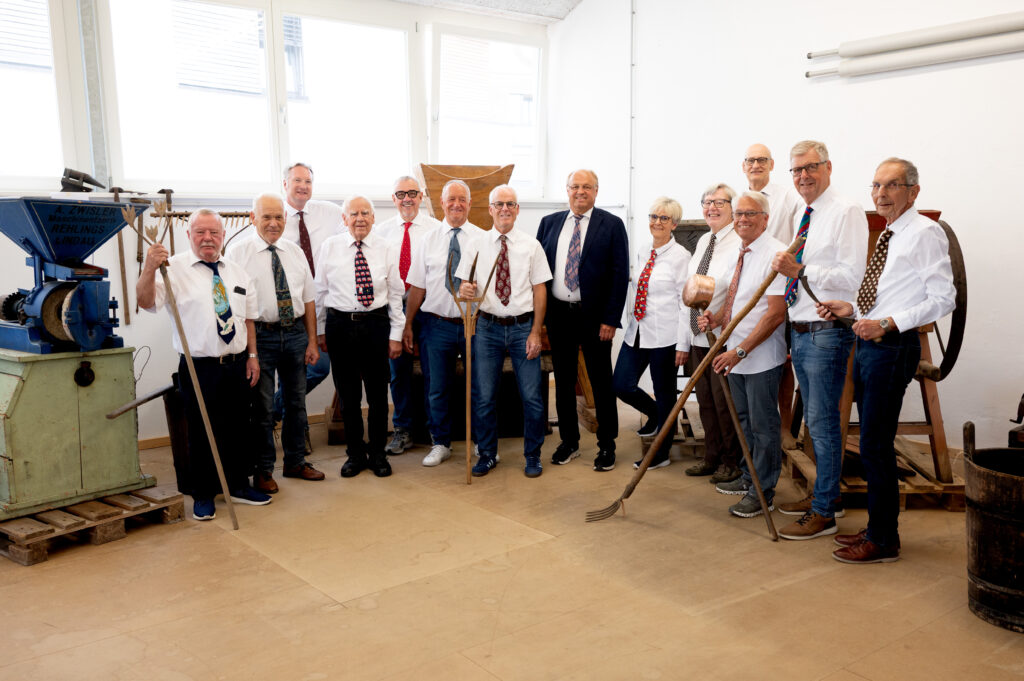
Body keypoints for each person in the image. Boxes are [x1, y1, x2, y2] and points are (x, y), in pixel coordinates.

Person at [815, 158, 954, 563]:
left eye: (891, 185)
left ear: (913, 191)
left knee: (875, 445)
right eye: (875, 185)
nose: (880, 194)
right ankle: (878, 525)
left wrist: (889, 323)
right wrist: (851, 310)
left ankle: (883, 539)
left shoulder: (925, 233)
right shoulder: (891, 233)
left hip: (893, 348)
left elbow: (944, 298)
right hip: (873, 345)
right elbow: (889, 293)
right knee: (874, 443)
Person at [137, 209, 271, 520]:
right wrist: (149, 267)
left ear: (223, 236)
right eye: (200, 232)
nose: (207, 238)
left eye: (213, 232)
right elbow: (145, 303)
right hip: (199, 366)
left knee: (240, 427)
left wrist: (252, 357)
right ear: (189, 236)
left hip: (238, 363)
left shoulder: (237, 272)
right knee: (201, 431)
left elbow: (248, 318)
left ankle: (238, 484)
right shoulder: (172, 270)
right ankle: (203, 494)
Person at [771, 140, 867, 541]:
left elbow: (852, 276)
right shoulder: (806, 214)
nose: (803, 176)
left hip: (827, 333)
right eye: (796, 171)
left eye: (810, 168)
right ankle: (825, 498)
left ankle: (825, 512)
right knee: (817, 425)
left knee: (825, 427)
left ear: (828, 167)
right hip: (804, 329)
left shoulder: (846, 212)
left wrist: (800, 269)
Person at [698, 192, 787, 518]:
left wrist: (739, 350)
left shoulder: (776, 254)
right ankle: (750, 477)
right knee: (745, 423)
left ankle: (764, 492)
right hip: (734, 353)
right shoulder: (741, 250)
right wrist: (717, 318)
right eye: (739, 214)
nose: (744, 219)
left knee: (763, 428)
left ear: (765, 217)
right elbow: (738, 302)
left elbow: (775, 314)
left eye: (751, 213)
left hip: (759, 358)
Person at [230, 193, 324, 494]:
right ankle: (263, 470)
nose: (274, 223)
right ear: (252, 217)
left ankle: (295, 462)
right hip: (261, 336)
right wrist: (252, 351)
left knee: (297, 403)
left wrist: (312, 341)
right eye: (267, 217)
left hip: (295, 333)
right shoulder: (238, 254)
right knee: (263, 408)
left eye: (279, 217)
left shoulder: (294, 252)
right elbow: (238, 306)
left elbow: (308, 299)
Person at [536, 169, 629, 472]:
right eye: (575, 186)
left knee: (601, 382)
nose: (580, 191)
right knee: (562, 382)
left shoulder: (612, 225)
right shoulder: (549, 224)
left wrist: (611, 319)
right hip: (559, 315)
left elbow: (618, 276)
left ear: (596, 191)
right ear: (566, 190)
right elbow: (538, 273)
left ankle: (607, 445)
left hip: (595, 317)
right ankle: (569, 442)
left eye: (586, 187)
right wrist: (541, 319)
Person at [457, 185, 552, 478]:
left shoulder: (530, 245)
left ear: (518, 209)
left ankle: (533, 454)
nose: (505, 209)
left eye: (510, 204)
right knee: (484, 396)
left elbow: (540, 290)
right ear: (490, 209)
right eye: (499, 204)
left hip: (524, 326)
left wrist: (536, 332)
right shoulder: (476, 243)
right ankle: (487, 453)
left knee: (532, 397)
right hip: (487, 328)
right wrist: (466, 290)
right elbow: (464, 286)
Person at [315, 196, 405, 478]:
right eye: (353, 213)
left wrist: (396, 334)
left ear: (374, 217)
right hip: (340, 325)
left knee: (378, 395)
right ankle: (355, 454)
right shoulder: (329, 247)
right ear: (344, 219)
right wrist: (319, 332)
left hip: (376, 324)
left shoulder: (386, 247)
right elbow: (319, 293)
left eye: (366, 212)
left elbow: (395, 294)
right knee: (348, 395)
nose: (360, 218)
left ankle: (378, 453)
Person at [403, 180, 485, 466]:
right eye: (451, 199)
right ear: (442, 202)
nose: (456, 204)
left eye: (462, 199)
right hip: (436, 325)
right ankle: (441, 442)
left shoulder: (482, 239)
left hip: (473, 324)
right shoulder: (428, 239)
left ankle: (482, 443)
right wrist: (408, 324)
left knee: (479, 386)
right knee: (437, 387)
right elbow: (416, 287)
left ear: (470, 203)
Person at [612, 197, 690, 470]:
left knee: (665, 393)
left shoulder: (681, 257)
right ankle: (657, 415)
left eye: (664, 218)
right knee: (621, 384)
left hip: (666, 336)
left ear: (674, 225)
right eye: (654, 216)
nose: (657, 222)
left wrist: (684, 343)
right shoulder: (644, 249)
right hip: (638, 331)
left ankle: (662, 451)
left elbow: (685, 302)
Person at [275, 162, 344, 451]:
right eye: (297, 180)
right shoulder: (275, 215)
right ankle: (294, 427)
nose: (303, 186)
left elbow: (354, 232)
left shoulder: (328, 213)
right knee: (293, 371)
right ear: (285, 184)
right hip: (288, 310)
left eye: (308, 181)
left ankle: (264, 417)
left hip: (323, 308)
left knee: (317, 368)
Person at [678, 183, 743, 483]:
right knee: (704, 400)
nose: (711, 208)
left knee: (723, 401)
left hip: (721, 336)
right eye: (706, 202)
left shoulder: (739, 241)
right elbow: (692, 287)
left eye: (719, 202)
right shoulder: (705, 240)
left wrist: (718, 319)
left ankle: (732, 462)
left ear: (732, 206)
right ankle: (711, 456)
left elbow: (733, 288)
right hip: (697, 335)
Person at [375, 175, 443, 455]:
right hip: (392, 309)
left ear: (422, 196)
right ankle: (403, 430)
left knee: (432, 372)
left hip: (428, 309)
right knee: (398, 372)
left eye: (413, 193)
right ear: (393, 199)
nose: (407, 198)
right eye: (401, 193)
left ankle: (434, 430)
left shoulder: (436, 229)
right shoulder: (381, 232)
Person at [741, 143, 802, 244]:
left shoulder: (789, 196)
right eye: (751, 161)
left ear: (771, 165)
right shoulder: (736, 202)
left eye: (762, 160)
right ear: (744, 166)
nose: (756, 165)